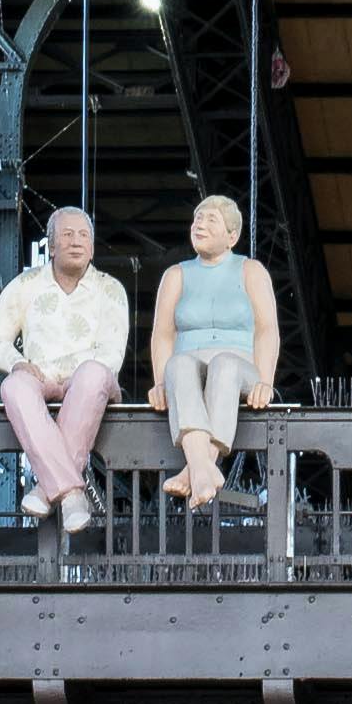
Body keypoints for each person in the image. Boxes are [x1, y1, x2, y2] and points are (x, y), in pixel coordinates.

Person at [0, 205, 132, 535]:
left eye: (84, 236)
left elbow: (111, 353)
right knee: (14, 386)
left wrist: (81, 372)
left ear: (92, 246)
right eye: (67, 234)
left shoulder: (110, 288)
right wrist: (16, 362)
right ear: (51, 244)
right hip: (41, 373)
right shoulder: (26, 284)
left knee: (92, 374)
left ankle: (46, 488)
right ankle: (72, 492)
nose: (76, 242)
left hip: (91, 378)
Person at [145, 191, 281, 511]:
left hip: (239, 363)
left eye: (211, 219)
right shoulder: (176, 275)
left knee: (225, 365)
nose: (200, 224)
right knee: (177, 366)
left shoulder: (251, 271)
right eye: (197, 218)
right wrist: (160, 382)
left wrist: (265, 380)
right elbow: (163, 334)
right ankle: (204, 470)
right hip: (189, 360)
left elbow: (266, 330)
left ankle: (196, 467)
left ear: (232, 235)